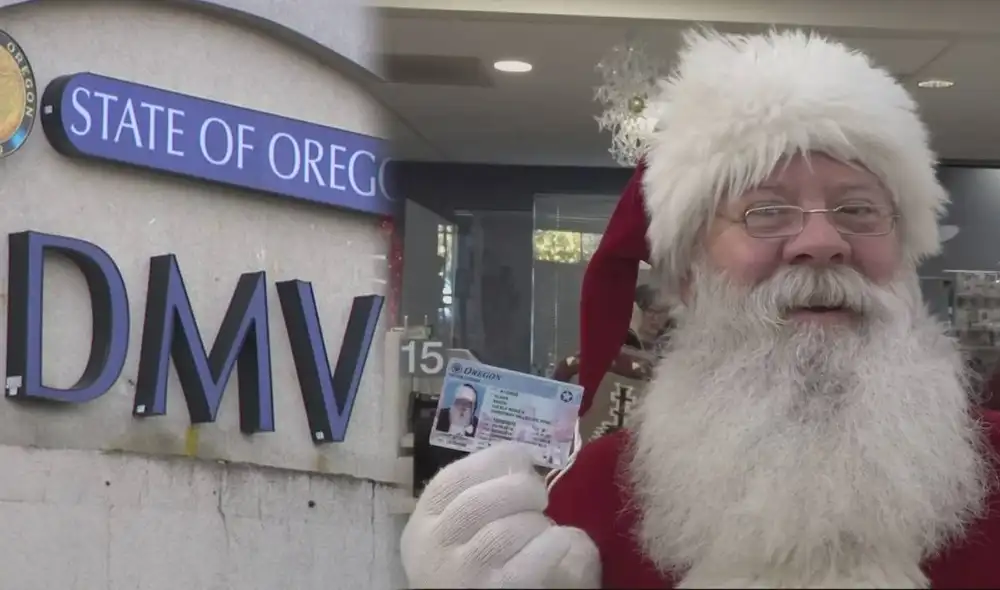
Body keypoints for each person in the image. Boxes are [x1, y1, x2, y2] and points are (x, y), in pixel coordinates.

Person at [400, 28, 1000, 589]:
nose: (822, 242)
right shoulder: (592, 499)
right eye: (766, 211)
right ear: (689, 276)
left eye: (858, 210)